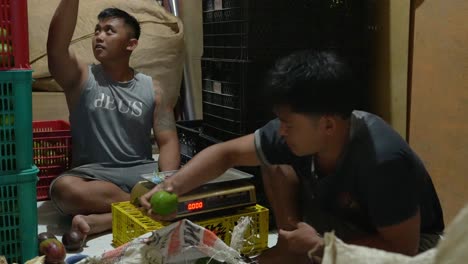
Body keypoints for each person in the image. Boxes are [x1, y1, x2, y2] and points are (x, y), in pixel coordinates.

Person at [140, 50, 444, 263]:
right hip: (340, 224)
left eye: (289, 124)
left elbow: (402, 250)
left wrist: (320, 246)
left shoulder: (382, 160)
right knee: (272, 163)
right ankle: (296, 244)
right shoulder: (303, 132)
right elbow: (226, 153)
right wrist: (170, 187)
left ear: (327, 124)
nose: (281, 131)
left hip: (412, 246)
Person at [47, 1, 180, 237]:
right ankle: (145, 208)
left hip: (141, 174)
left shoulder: (154, 89)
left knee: (198, 180)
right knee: (63, 190)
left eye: (109, 31)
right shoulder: (81, 77)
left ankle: (107, 220)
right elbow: (56, 48)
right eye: (97, 30)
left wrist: (165, 184)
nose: (99, 36)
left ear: (131, 44)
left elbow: (168, 141)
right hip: (93, 176)